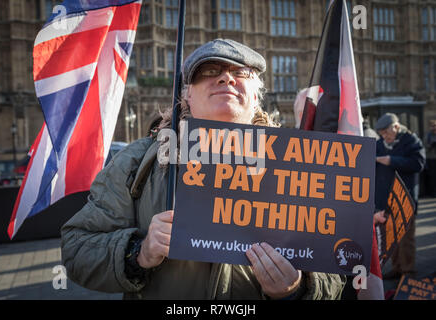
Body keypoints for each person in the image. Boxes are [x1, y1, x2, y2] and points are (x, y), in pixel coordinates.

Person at [61, 39, 346, 300]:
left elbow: (337, 270)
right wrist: (139, 251)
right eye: (208, 71)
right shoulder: (136, 162)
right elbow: (76, 249)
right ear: (187, 97)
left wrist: (297, 288)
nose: (225, 77)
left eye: (241, 72)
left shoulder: (300, 165)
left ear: (256, 97)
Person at [374, 113, 426, 280]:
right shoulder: (379, 144)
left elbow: (419, 164)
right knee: (391, 236)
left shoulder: (411, 141)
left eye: (386, 132)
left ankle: (408, 271)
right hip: (385, 198)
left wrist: (392, 160)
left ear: (396, 127)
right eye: (381, 134)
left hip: (404, 197)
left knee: (406, 237)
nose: (384, 137)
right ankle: (396, 268)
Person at [424, 119, 436, 197]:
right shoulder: (428, 135)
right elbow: (424, 146)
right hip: (431, 158)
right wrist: (430, 146)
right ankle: (432, 192)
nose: (434, 128)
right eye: (433, 126)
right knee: (432, 176)